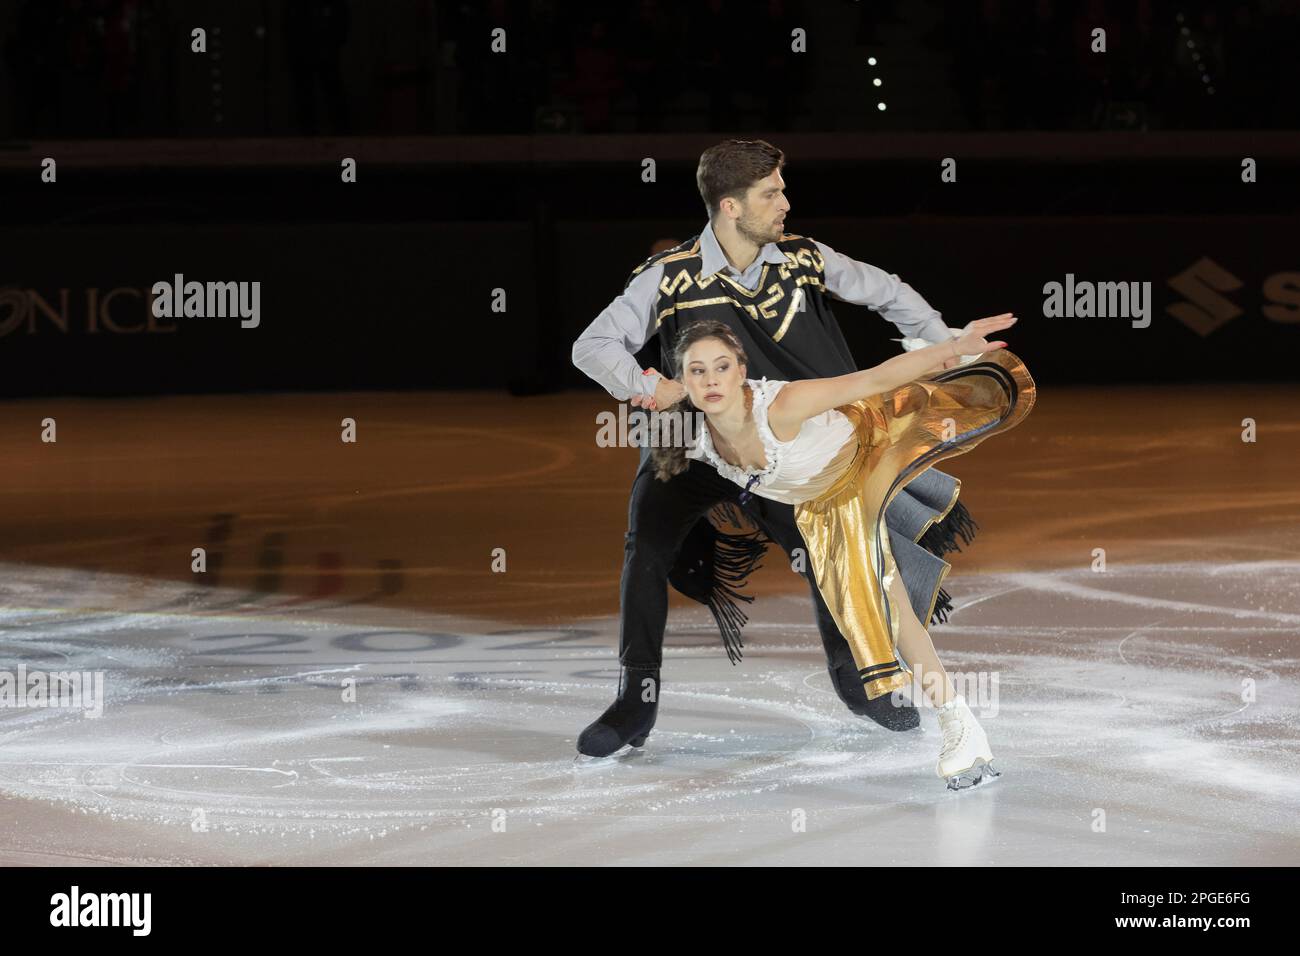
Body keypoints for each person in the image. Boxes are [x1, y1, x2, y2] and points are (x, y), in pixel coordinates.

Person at [572, 139, 987, 758]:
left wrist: (941, 340)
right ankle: (636, 699)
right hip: (699, 445)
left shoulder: (804, 259)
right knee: (647, 544)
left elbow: (888, 292)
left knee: (829, 555)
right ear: (731, 207)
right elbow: (594, 345)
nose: (786, 203)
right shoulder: (669, 276)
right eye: (773, 193)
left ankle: (858, 680)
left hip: (788, 447)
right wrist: (648, 385)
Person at [662, 315, 1035, 788]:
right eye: (697, 371)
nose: (711, 379)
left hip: (865, 451)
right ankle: (961, 724)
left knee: (879, 595)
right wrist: (642, 384)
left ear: (741, 370)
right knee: (873, 609)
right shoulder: (697, 432)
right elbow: (607, 364)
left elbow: (874, 379)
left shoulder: (783, 406)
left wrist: (953, 348)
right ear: (684, 380)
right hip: (820, 507)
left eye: (721, 367)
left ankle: (957, 723)